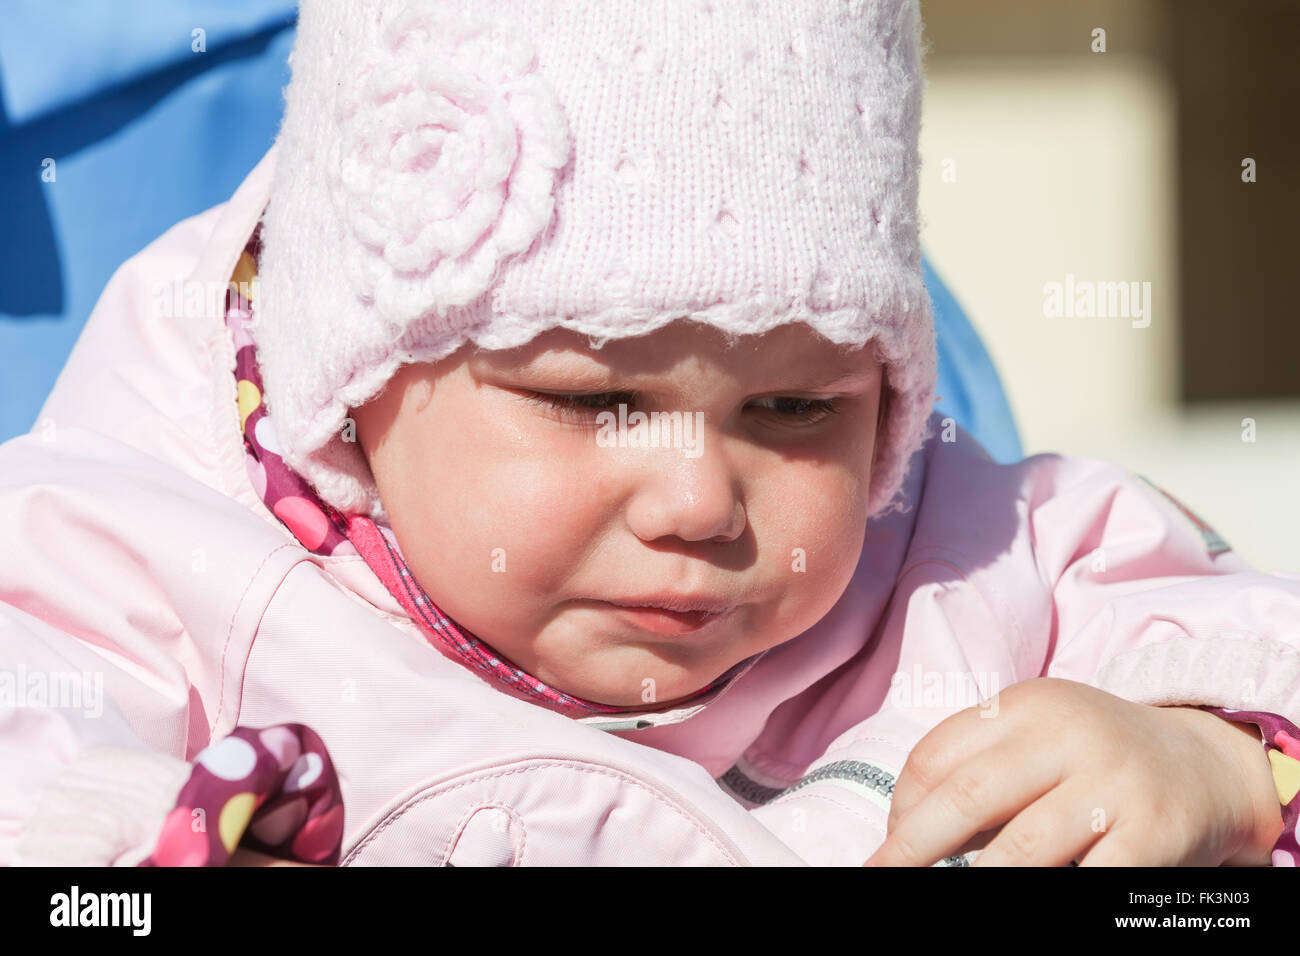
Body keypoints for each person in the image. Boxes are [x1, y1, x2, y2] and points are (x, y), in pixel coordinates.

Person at [3, 0, 1298, 868]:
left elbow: (1243, 647)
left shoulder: (973, 562)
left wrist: (1216, 763)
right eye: (596, 402)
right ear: (356, 382)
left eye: (796, 409)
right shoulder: (134, 573)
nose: (697, 499)